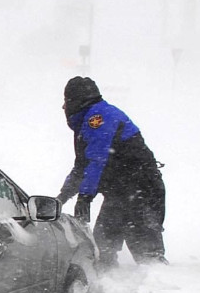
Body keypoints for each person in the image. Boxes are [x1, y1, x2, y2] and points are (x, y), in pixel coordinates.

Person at [57, 76, 167, 268]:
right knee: (103, 246)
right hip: (123, 193)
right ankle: (112, 287)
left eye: (66, 101)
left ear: (75, 101)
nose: (63, 107)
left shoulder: (98, 119)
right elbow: (81, 167)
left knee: (147, 253)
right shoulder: (88, 121)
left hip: (140, 191)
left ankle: (160, 291)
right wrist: (62, 197)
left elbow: (97, 160)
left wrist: (85, 197)